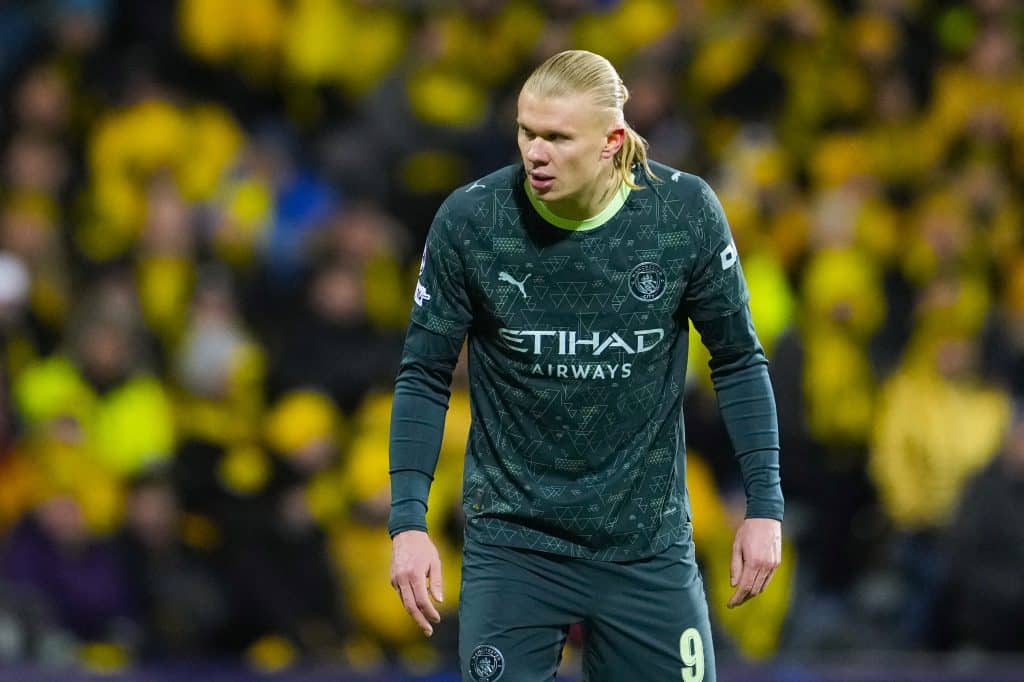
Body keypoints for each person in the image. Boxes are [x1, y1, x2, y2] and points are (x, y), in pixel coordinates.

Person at [388, 50, 783, 682]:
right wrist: (408, 521)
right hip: (515, 547)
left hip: (644, 547)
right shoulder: (472, 221)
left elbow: (737, 360)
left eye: (556, 137)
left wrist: (764, 507)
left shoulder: (681, 216)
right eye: (526, 132)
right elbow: (424, 373)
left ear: (612, 141)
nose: (535, 152)